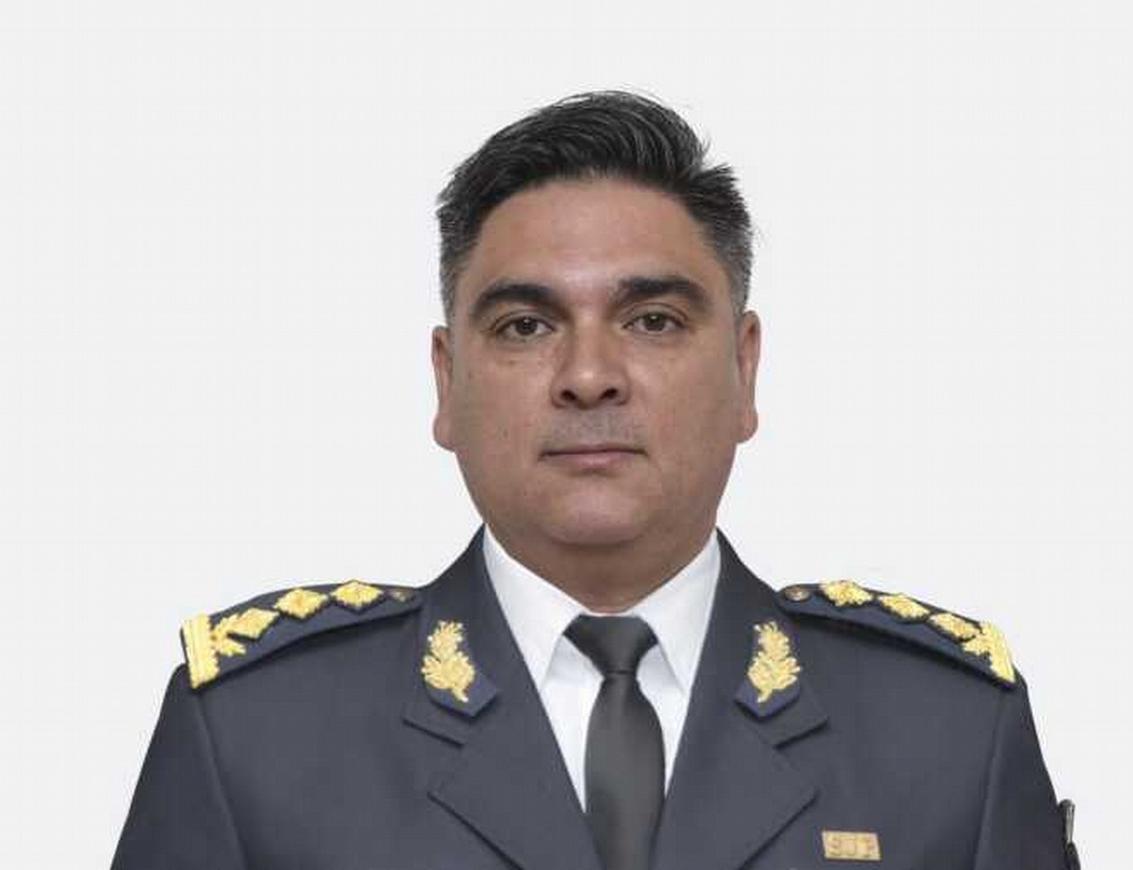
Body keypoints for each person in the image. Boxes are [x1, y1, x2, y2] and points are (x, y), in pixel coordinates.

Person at [111, 90, 1081, 870]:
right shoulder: (255, 736)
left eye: (653, 320)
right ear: (447, 383)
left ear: (744, 369)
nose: (588, 375)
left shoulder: (947, 734)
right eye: (525, 326)